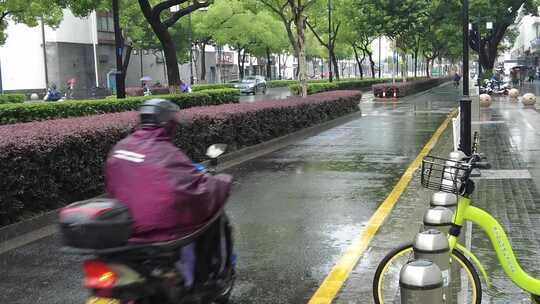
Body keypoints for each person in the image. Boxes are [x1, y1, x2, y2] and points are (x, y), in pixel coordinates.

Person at [105, 99, 233, 286]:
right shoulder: (166, 153)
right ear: (168, 124)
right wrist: (222, 182)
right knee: (210, 220)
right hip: (161, 236)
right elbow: (197, 191)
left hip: (124, 231)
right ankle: (204, 281)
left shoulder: (120, 148)